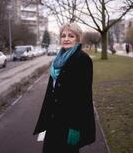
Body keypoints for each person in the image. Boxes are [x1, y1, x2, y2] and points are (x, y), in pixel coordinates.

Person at [33, 22, 96, 153]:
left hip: (69, 123)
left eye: (71, 36)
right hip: (53, 120)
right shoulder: (57, 60)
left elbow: (83, 97)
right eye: (63, 36)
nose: (66, 39)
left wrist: (76, 127)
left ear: (78, 38)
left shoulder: (82, 60)